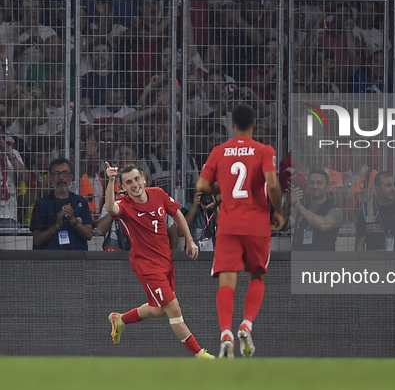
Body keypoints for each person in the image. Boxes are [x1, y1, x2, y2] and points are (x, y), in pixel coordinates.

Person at [196, 104, 284, 358]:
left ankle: (226, 332)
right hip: (257, 225)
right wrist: (278, 210)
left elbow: (202, 185)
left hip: (229, 225)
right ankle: (246, 324)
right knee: (257, 277)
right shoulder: (264, 150)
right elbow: (272, 182)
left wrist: (221, 190)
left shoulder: (219, 151)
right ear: (254, 124)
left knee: (227, 282)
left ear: (232, 125)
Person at [103, 162, 214, 359]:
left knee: (158, 309)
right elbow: (111, 207)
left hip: (165, 261)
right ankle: (201, 355)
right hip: (146, 265)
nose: (135, 184)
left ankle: (120, 319)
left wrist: (190, 240)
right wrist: (110, 181)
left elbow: (176, 212)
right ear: (124, 187)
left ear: (144, 178)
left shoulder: (158, 194)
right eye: (129, 182)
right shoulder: (124, 205)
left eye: (137, 179)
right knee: (173, 308)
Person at [29, 158, 94, 250]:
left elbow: (89, 234)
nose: (61, 177)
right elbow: (37, 240)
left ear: (71, 176)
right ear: (50, 178)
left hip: (76, 258)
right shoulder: (41, 204)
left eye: (65, 173)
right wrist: (57, 225)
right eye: (56, 173)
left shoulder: (81, 201)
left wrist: (73, 220)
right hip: (49, 258)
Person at [286, 169, 344, 251]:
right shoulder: (299, 207)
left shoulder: (335, 210)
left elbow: (323, 225)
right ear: (307, 186)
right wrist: (287, 203)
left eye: (319, 183)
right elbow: (285, 224)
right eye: (311, 183)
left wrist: (299, 207)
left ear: (327, 187)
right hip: (299, 259)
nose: (315, 186)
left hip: (323, 260)